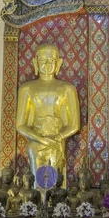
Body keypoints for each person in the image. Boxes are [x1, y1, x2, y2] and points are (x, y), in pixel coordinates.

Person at [16, 43, 80, 175]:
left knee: (53, 177)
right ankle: (35, 193)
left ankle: (54, 194)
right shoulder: (26, 89)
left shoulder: (67, 89)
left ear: (58, 63)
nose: (46, 64)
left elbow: (74, 125)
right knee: (36, 180)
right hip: (36, 142)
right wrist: (41, 139)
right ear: (35, 62)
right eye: (42, 60)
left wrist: (57, 137)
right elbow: (21, 125)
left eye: (51, 60)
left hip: (57, 141)